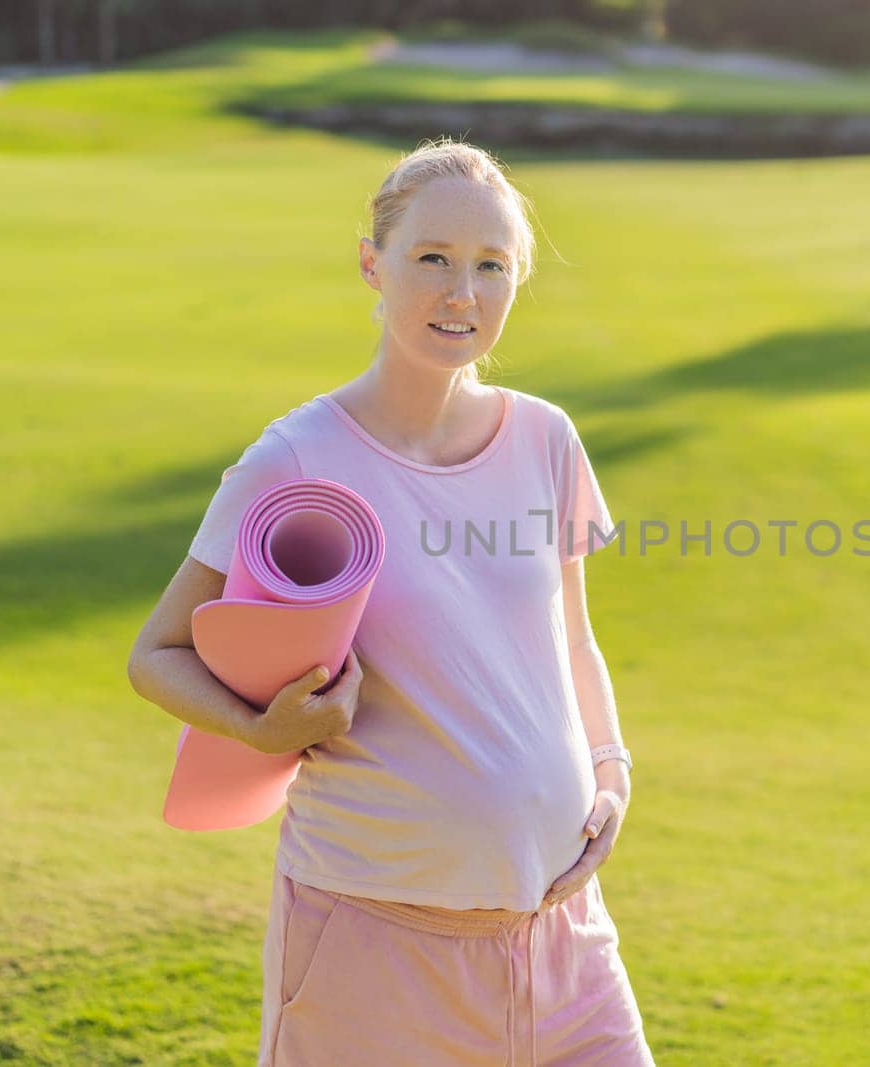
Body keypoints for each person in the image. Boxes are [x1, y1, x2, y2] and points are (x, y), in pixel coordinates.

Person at [126, 137, 653, 1066]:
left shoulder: (546, 439)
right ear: (373, 261)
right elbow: (157, 654)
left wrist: (610, 768)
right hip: (372, 949)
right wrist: (259, 729)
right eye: (433, 259)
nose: (463, 293)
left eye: (492, 266)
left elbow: (573, 639)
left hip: (565, 944)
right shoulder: (294, 459)